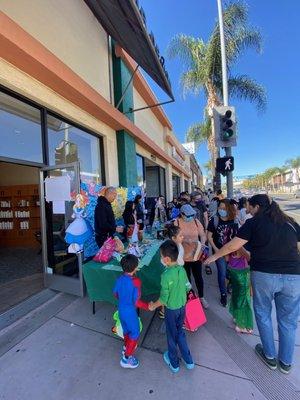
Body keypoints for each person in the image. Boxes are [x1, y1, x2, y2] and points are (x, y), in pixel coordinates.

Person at [204, 195, 300, 374]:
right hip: (293, 277)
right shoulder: (290, 223)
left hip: (264, 275)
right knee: (288, 321)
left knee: (263, 314)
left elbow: (233, 245)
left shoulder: (253, 223)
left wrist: (214, 257)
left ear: (255, 206)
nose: (246, 207)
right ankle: (286, 362)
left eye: (248, 204)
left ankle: (270, 356)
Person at [149, 240, 194, 373]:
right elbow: (188, 287)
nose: (161, 259)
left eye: (161, 257)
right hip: (182, 307)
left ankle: (174, 362)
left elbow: (163, 298)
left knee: (171, 335)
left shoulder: (165, 275)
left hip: (171, 310)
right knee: (180, 332)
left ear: (167, 259)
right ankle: (188, 360)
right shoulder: (182, 269)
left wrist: (153, 305)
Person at [113, 254, 150, 369]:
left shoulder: (119, 279)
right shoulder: (136, 282)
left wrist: (123, 299)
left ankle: (126, 345)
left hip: (121, 309)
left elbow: (115, 293)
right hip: (130, 312)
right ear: (135, 268)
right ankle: (127, 358)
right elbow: (136, 302)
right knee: (135, 332)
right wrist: (148, 306)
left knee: (126, 330)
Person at [174, 204, 208, 309]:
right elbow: (174, 238)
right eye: (187, 215)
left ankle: (201, 297)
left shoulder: (196, 222)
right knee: (186, 278)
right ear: (182, 214)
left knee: (198, 277)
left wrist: (202, 243)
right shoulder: (177, 222)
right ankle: (189, 298)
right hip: (183, 256)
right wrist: (184, 240)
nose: (190, 217)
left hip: (196, 255)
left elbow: (202, 235)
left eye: (191, 215)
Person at [207, 199, 238, 306]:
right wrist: (216, 250)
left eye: (224, 208)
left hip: (231, 252)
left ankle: (230, 283)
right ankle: (223, 294)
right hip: (218, 251)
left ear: (228, 209)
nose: (221, 210)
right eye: (220, 208)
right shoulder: (214, 220)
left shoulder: (234, 220)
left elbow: (236, 237)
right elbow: (209, 237)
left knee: (230, 272)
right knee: (222, 273)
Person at [227, 247, 253, 334]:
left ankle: (236, 316)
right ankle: (241, 325)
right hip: (242, 273)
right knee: (244, 298)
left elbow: (226, 258)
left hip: (233, 270)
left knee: (236, 294)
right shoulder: (241, 242)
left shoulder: (229, 239)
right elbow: (249, 257)